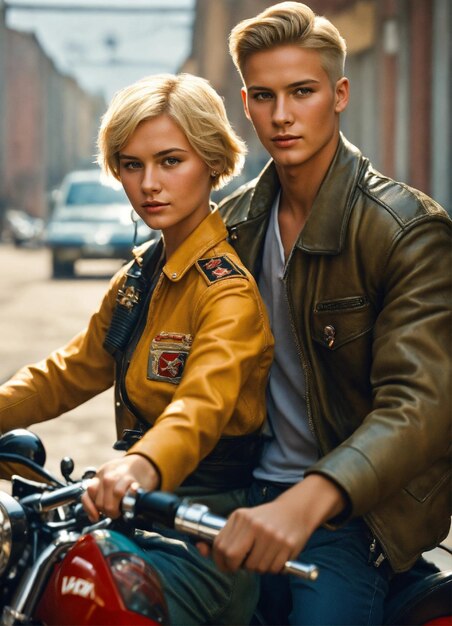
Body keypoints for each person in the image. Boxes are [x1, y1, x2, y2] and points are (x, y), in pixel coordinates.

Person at [206, 2, 451, 625]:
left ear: (339, 94)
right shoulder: (231, 227)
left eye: (302, 92)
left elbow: (419, 405)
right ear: (244, 102)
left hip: (353, 517)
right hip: (239, 496)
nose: (281, 116)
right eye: (263, 96)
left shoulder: (405, 231)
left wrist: (311, 499)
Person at [0, 73, 274, 625]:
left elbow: (201, 407)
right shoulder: (141, 275)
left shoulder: (227, 292)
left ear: (213, 162)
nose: (149, 183)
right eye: (132, 165)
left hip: (206, 537)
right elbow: (69, 372)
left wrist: (141, 466)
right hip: (134, 515)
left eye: (171, 161)